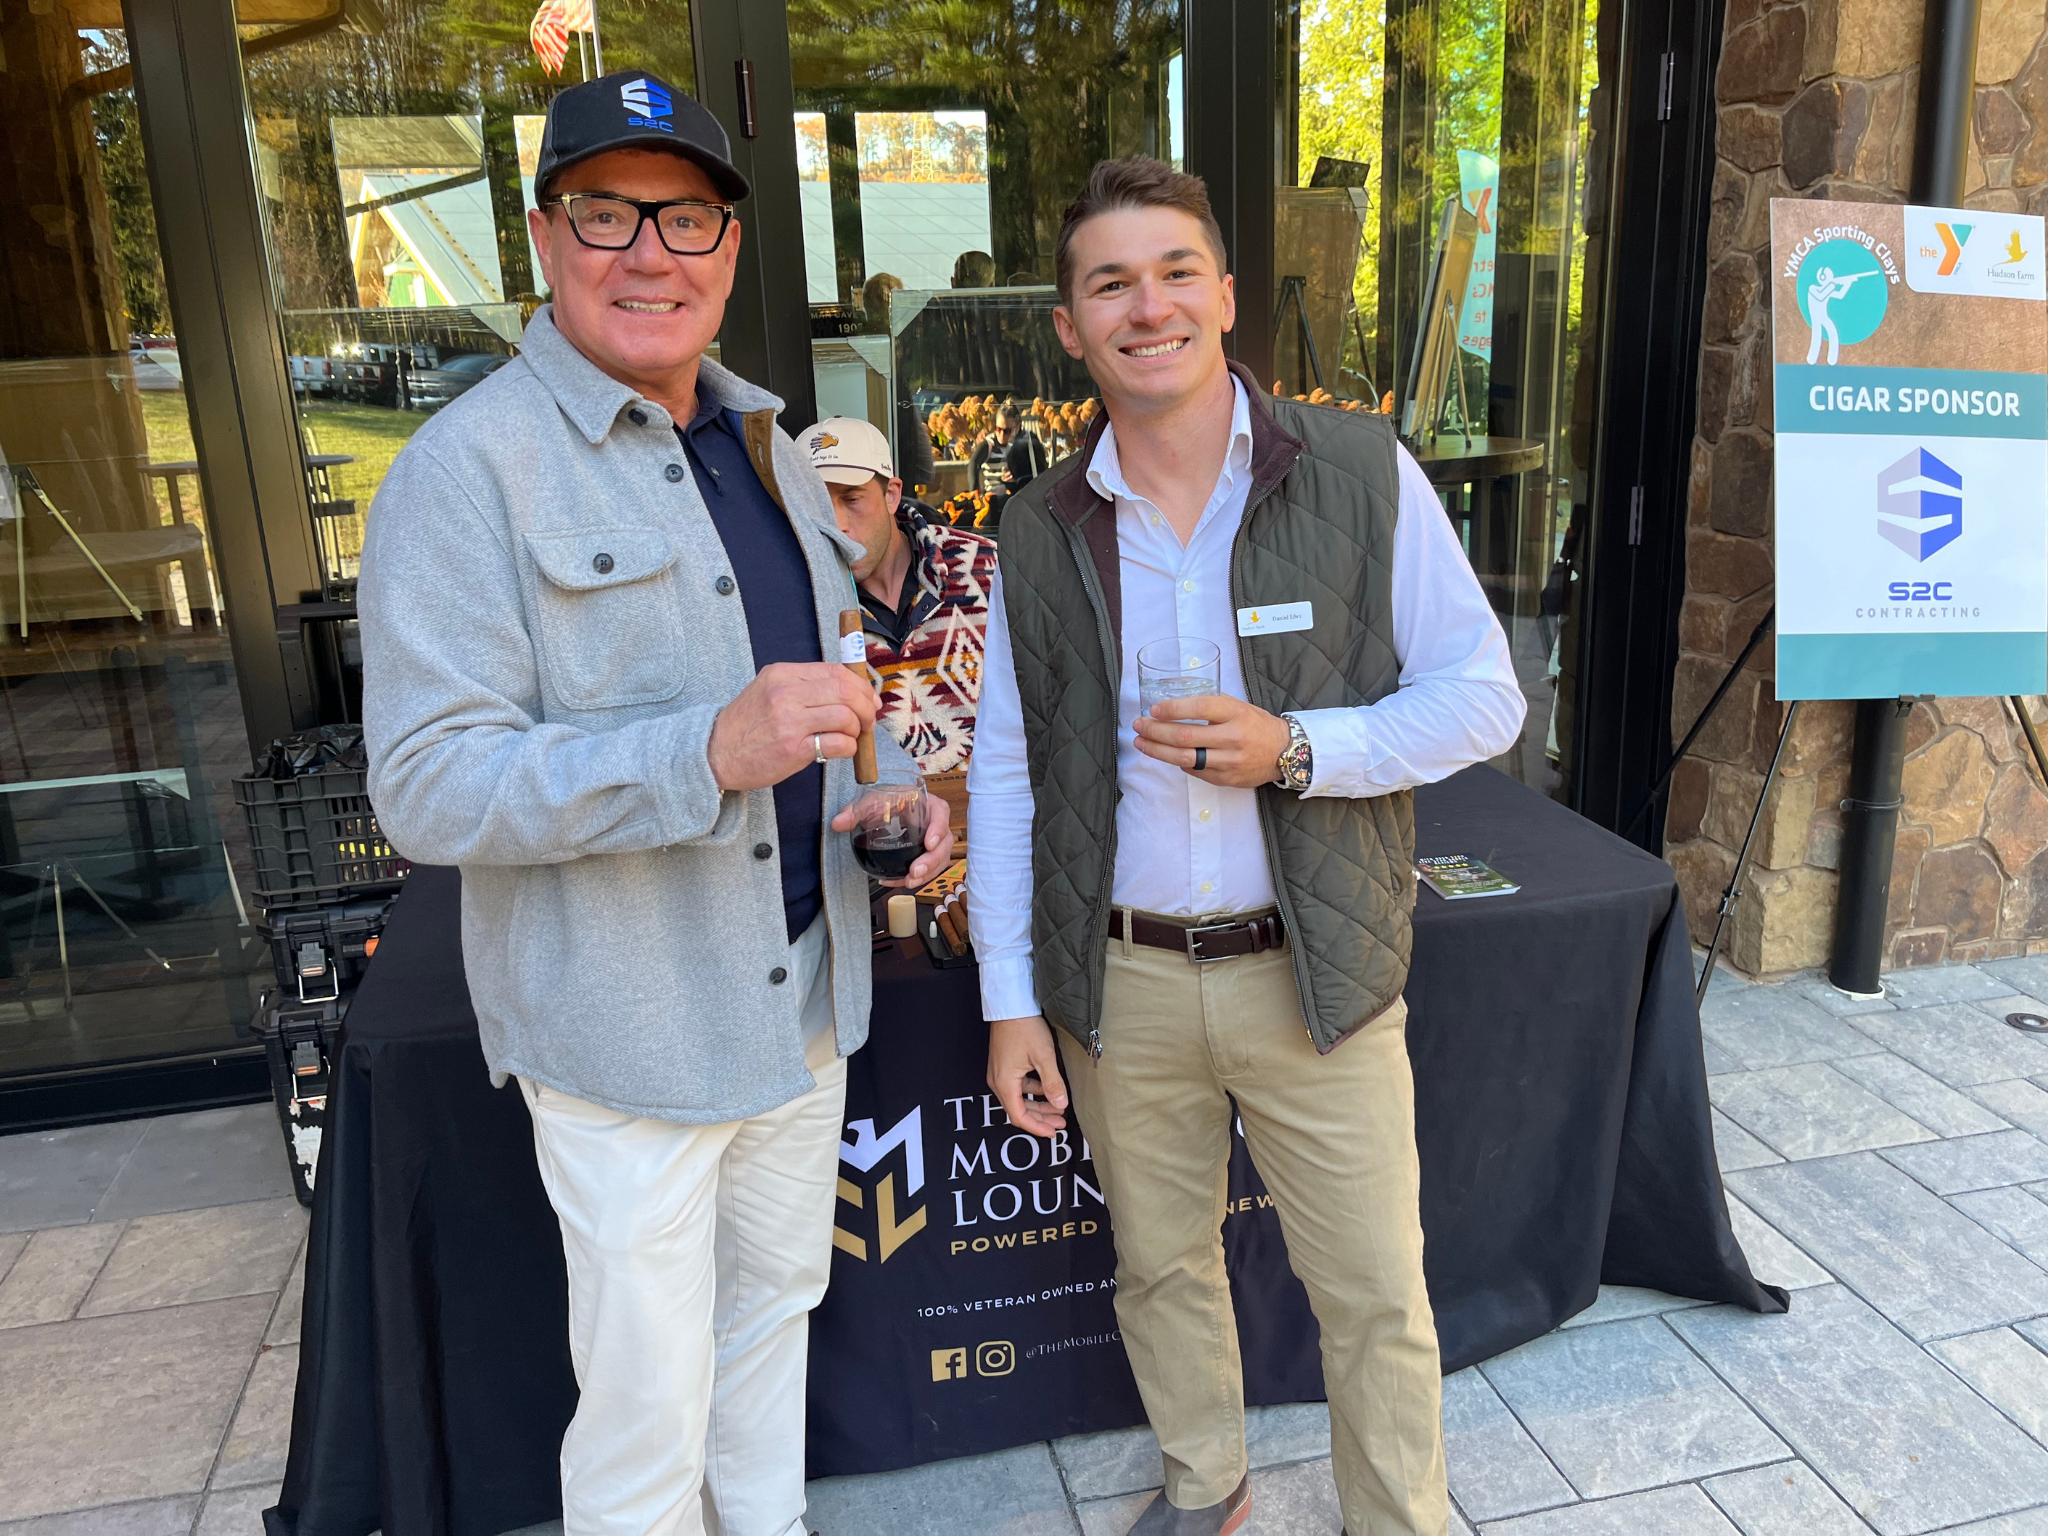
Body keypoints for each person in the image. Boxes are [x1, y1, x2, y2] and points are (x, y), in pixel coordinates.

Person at [357, 72, 951, 1536]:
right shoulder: (464, 474)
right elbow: (427, 787)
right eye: (607, 214)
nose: (650, 254)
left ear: (730, 253)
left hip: (807, 998)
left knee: (771, 1326)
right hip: (629, 1034)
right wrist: (700, 754)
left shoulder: (774, 448)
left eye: (684, 219)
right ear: (548, 240)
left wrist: (882, 794)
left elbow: (808, 712)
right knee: (640, 1401)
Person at [965, 157, 1524, 1536]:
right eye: (1110, 283)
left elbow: (1483, 695)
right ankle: (1204, 1490)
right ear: (1071, 326)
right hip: (1124, 984)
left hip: (1313, 969)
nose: (1145, 306)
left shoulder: (1357, 472)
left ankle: (1398, 1521)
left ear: (1222, 294)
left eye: (1172, 273)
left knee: (1376, 1292)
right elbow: (1009, 770)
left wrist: (1301, 749)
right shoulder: (1038, 530)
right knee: (1158, 1271)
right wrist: (1009, 1001)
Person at [804, 415, 996, 773]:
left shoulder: (985, 568)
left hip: (987, 814)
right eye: (817, 505)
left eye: (852, 498)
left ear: (891, 495)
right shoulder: (798, 604)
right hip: (875, 821)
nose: (837, 525)